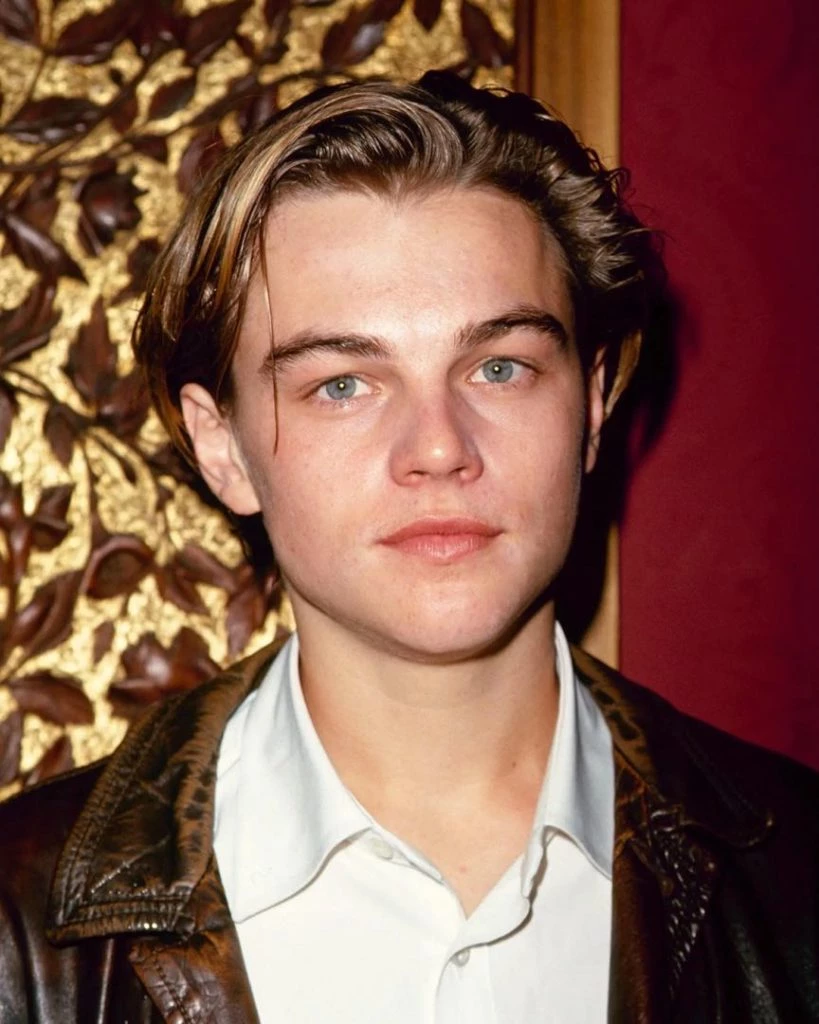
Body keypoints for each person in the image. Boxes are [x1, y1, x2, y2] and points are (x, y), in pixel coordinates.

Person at [0, 70, 816, 1024]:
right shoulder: (20, 926)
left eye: (499, 367)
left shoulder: (797, 874)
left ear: (590, 406)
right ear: (223, 447)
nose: (438, 448)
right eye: (342, 384)